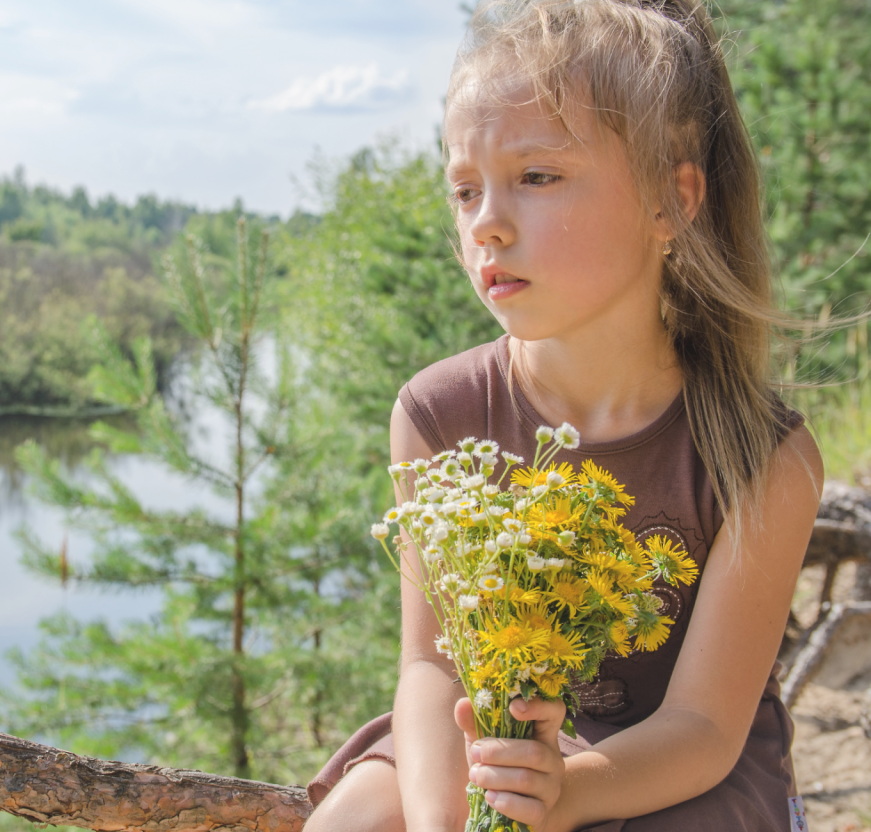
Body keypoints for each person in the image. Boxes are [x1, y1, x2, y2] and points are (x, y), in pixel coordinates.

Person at [302, 1, 825, 830]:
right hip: (487, 740)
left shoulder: (763, 455)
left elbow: (706, 727)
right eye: (465, 190)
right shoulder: (438, 416)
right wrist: (448, 823)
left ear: (671, 201)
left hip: (674, 769)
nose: (486, 225)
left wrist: (564, 792)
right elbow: (434, 669)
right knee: (355, 820)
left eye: (536, 177)